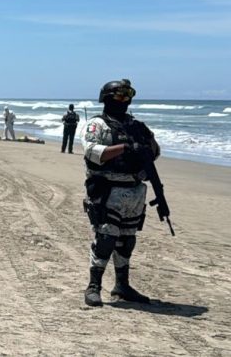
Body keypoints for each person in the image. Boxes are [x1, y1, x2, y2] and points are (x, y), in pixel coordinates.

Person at [82, 79, 160, 307]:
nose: (124, 101)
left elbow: (154, 152)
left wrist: (148, 143)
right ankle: (93, 285)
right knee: (106, 237)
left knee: (127, 239)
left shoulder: (136, 125)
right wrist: (125, 148)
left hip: (134, 189)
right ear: (106, 98)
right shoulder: (98, 125)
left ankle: (122, 285)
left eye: (128, 96)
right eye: (119, 96)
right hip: (108, 189)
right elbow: (92, 152)